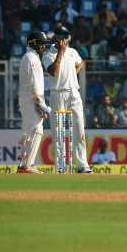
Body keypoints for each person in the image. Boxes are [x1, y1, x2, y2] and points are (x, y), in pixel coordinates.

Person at [42, 26, 93, 173]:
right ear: (54, 38)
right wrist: (60, 52)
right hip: (58, 94)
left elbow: (80, 63)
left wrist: (73, 74)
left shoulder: (73, 52)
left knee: (78, 129)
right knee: (58, 131)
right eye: (61, 36)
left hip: (73, 92)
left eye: (66, 36)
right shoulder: (48, 53)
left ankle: (83, 166)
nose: (64, 39)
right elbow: (53, 71)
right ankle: (60, 167)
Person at [16, 31, 52, 173]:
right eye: (40, 43)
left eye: (44, 43)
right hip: (31, 96)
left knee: (27, 131)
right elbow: (33, 82)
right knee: (37, 129)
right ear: (32, 43)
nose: (43, 46)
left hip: (28, 97)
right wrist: (39, 101)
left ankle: (24, 164)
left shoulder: (31, 56)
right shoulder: (31, 58)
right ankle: (28, 166)